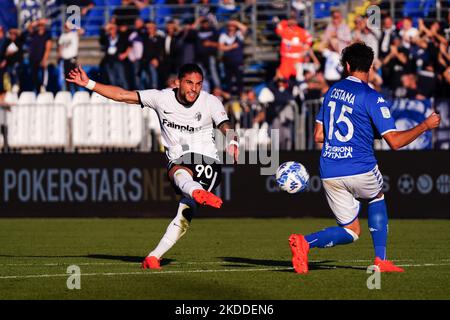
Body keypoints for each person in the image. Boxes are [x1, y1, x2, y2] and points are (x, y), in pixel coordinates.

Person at [66, 63, 239, 270]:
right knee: (184, 213)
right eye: (189, 83)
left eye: (198, 84)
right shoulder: (161, 97)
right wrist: (89, 83)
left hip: (207, 161)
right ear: (178, 82)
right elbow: (122, 95)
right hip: (180, 158)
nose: (194, 89)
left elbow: (225, 125)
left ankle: (195, 191)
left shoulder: (210, 101)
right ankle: (153, 257)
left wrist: (232, 141)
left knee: (179, 174)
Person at [288, 42, 441, 274]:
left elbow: (319, 135)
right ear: (371, 66)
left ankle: (305, 242)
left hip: (329, 169)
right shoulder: (372, 96)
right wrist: (425, 125)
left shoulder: (331, 92)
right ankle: (381, 260)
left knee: (351, 230)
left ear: (347, 66)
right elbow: (395, 142)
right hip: (359, 166)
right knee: (377, 197)